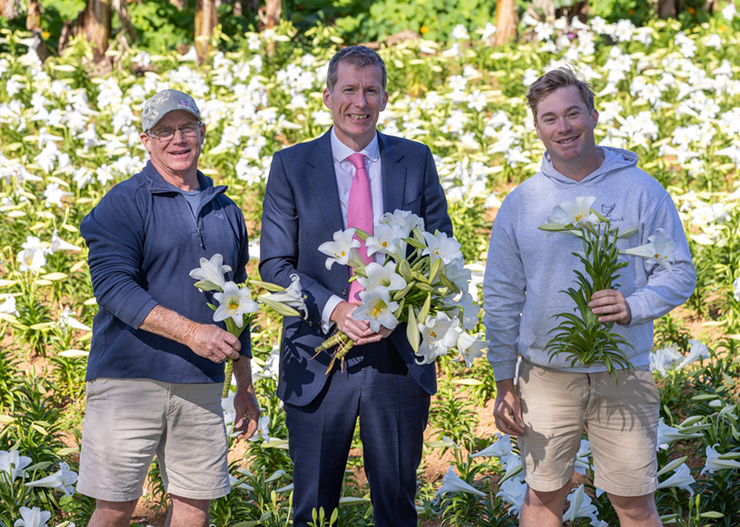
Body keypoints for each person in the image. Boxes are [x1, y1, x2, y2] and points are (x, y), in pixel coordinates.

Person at [484, 68, 696, 527]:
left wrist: (633, 305)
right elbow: (500, 295)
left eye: (573, 113)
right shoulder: (523, 203)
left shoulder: (641, 190)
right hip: (545, 376)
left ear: (593, 115)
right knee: (543, 498)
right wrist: (504, 381)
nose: (563, 127)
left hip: (624, 372)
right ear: (536, 127)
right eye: (550, 118)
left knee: (635, 504)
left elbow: (679, 271)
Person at [259, 46, 452, 526]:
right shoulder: (291, 166)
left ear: (385, 98)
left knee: (396, 507)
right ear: (328, 96)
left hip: (397, 361)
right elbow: (275, 265)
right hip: (320, 358)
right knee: (314, 510)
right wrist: (333, 310)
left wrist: (400, 309)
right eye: (349, 89)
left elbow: (440, 249)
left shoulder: (415, 159)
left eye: (371, 90)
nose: (359, 102)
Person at [78, 89, 260, 527]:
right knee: (115, 507)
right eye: (164, 130)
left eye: (186, 127)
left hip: (200, 383)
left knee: (195, 506)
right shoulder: (124, 202)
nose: (177, 139)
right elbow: (113, 288)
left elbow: (237, 302)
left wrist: (244, 385)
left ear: (202, 133)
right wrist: (192, 333)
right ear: (146, 140)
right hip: (128, 380)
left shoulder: (226, 210)